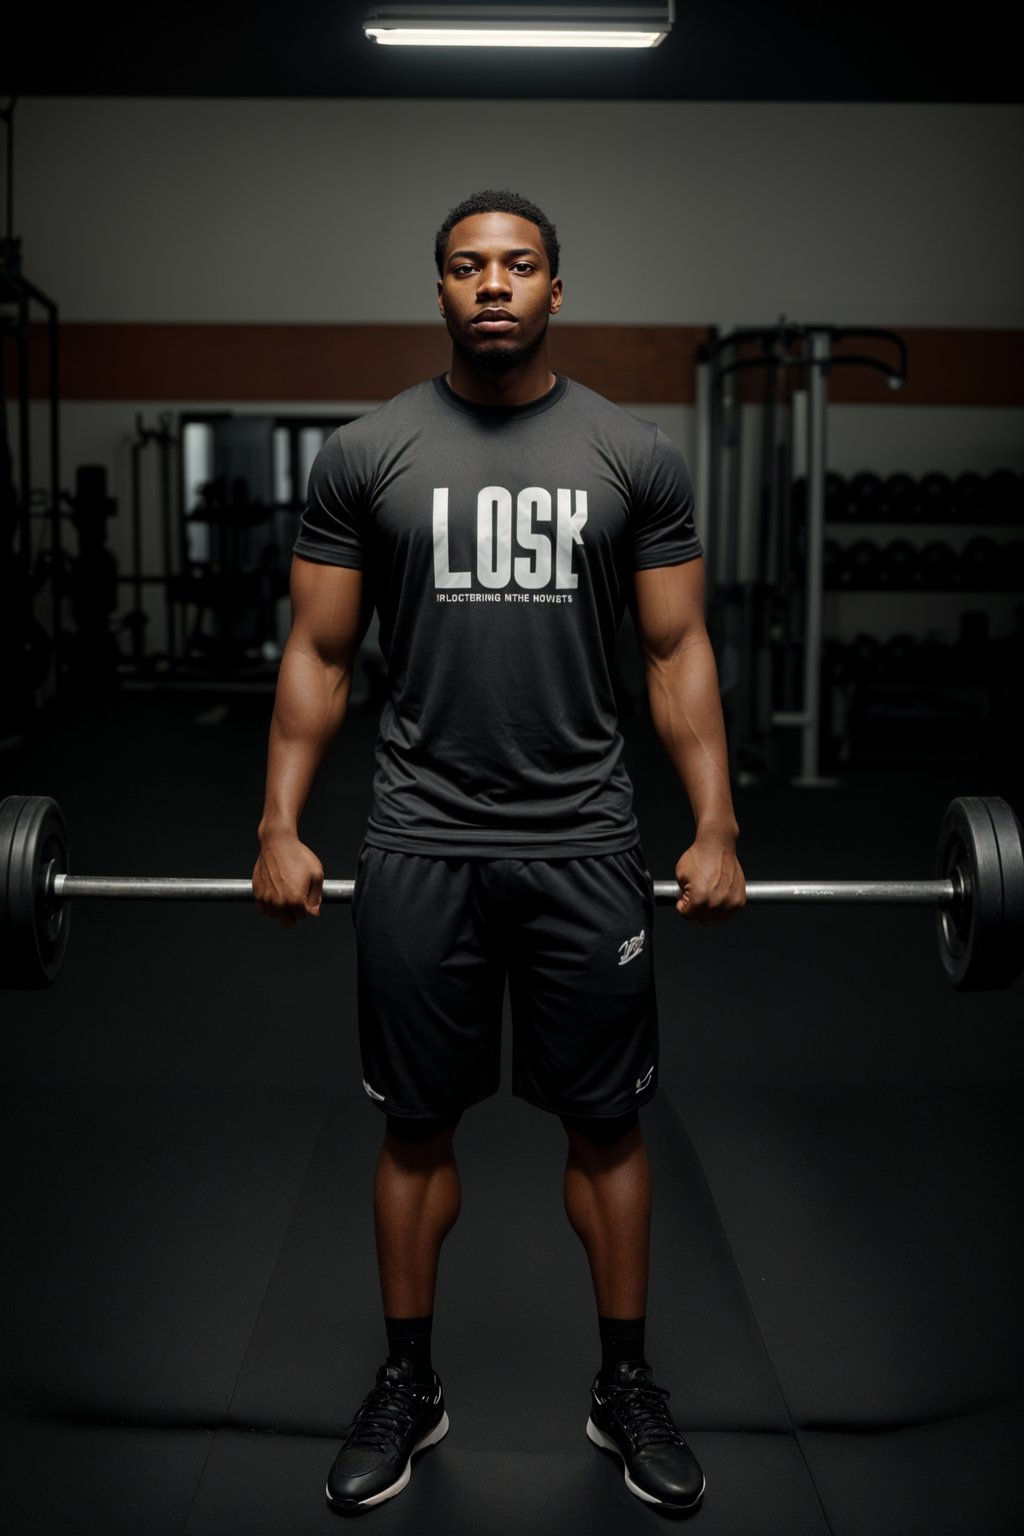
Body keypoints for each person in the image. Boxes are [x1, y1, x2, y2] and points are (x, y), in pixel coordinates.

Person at [252, 189, 745, 1515]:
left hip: (586, 841)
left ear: (555, 291)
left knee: (608, 1123)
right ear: (439, 290)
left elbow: (674, 651)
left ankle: (622, 1386)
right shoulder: (367, 453)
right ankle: (410, 1382)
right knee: (415, 1129)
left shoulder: (635, 455)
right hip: (421, 839)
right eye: (467, 265)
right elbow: (319, 653)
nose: (492, 284)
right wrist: (278, 822)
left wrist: (716, 819)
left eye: (518, 264)